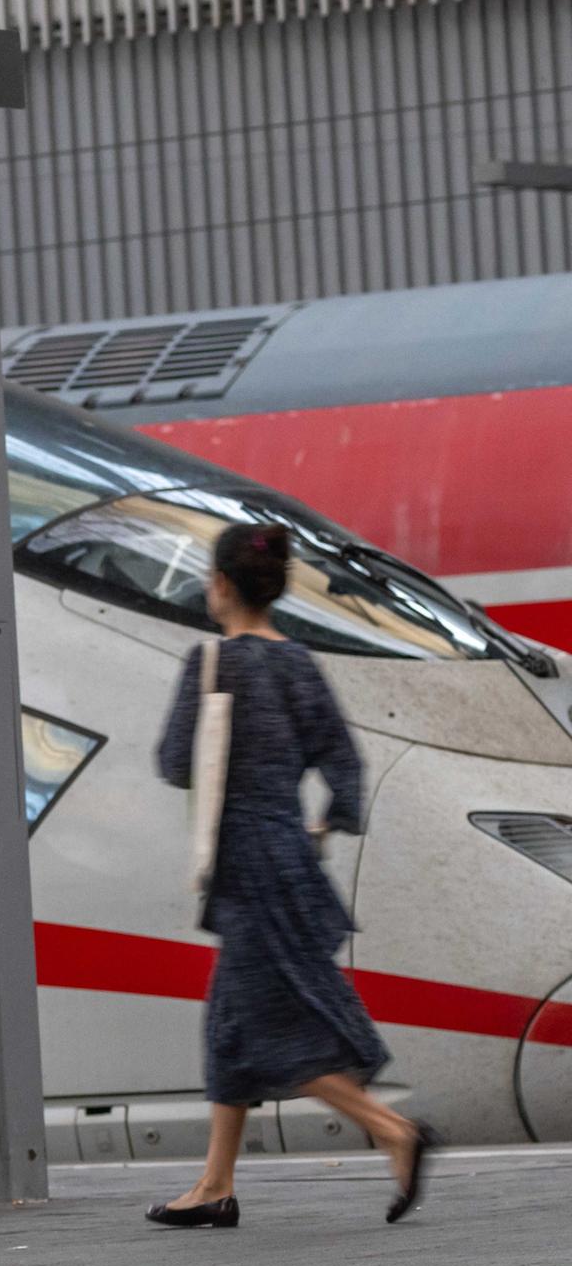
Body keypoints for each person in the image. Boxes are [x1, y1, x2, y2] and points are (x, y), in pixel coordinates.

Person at [150, 520, 437, 1228]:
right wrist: (325, 821)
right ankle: (216, 1184)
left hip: (244, 869)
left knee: (274, 1032)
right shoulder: (299, 663)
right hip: (289, 857)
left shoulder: (211, 662)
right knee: (230, 1026)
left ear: (219, 586)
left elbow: (172, 761)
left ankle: (393, 1130)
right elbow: (344, 762)